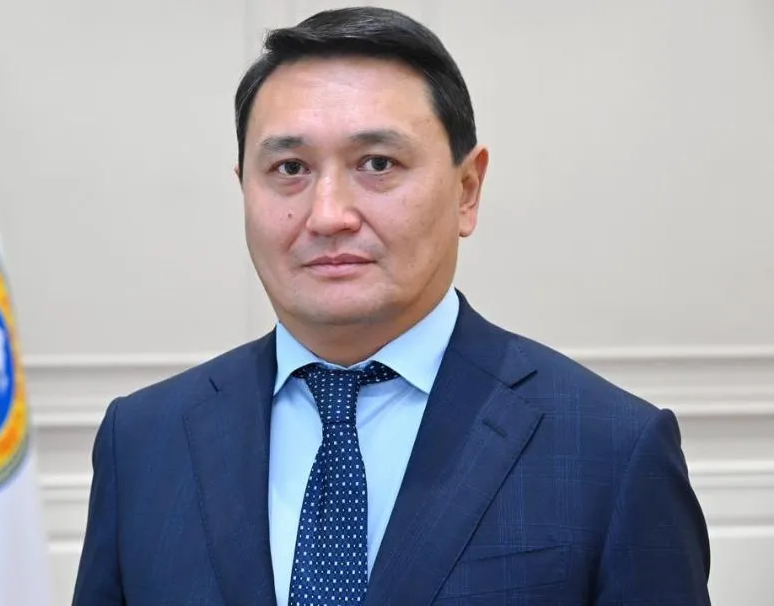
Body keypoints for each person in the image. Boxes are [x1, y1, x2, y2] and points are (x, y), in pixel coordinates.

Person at [72, 6, 712, 605]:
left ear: (467, 190)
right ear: (244, 189)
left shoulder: (611, 448)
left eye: (377, 163)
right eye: (290, 169)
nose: (328, 215)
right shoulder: (143, 440)